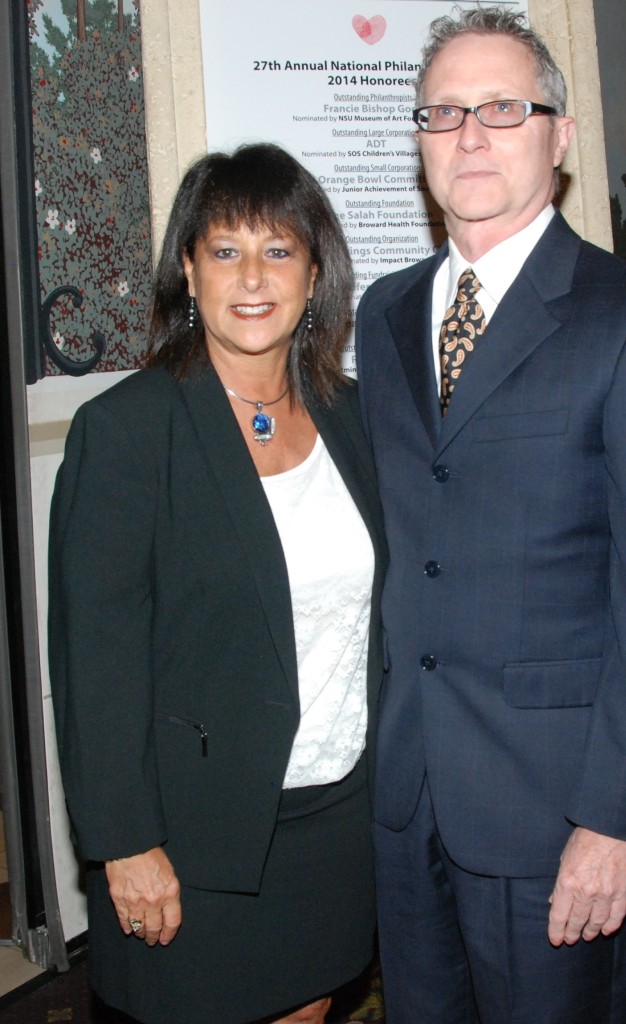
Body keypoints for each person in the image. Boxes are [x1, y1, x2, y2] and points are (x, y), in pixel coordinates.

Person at [354, 7, 626, 1023]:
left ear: (559, 138)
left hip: (556, 817)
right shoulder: (384, 316)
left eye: (503, 108)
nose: (469, 134)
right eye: (443, 112)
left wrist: (613, 822)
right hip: (409, 799)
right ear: (419, 139)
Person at [48, 143, 386, 1024]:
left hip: (339, 809)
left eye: (278, 250)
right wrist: (125, 843)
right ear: (187, 271)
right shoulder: (126, 432)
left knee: (311, 1009)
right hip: (194, 833)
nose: (252, 277)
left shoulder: (355, 418)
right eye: (225, 250)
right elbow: (97, 659)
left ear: (316, 274)